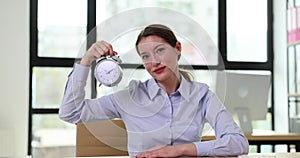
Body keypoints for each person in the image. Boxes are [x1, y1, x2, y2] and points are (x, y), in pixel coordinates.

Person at [59, 24, 249, 157]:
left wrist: (180, 150)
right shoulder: (130, 97)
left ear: (178, 48)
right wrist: (85, 62)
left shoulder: (201, 95)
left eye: (160, 50)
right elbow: (70, 113)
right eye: (145, 56)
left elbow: (238, 142)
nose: (154, 62)